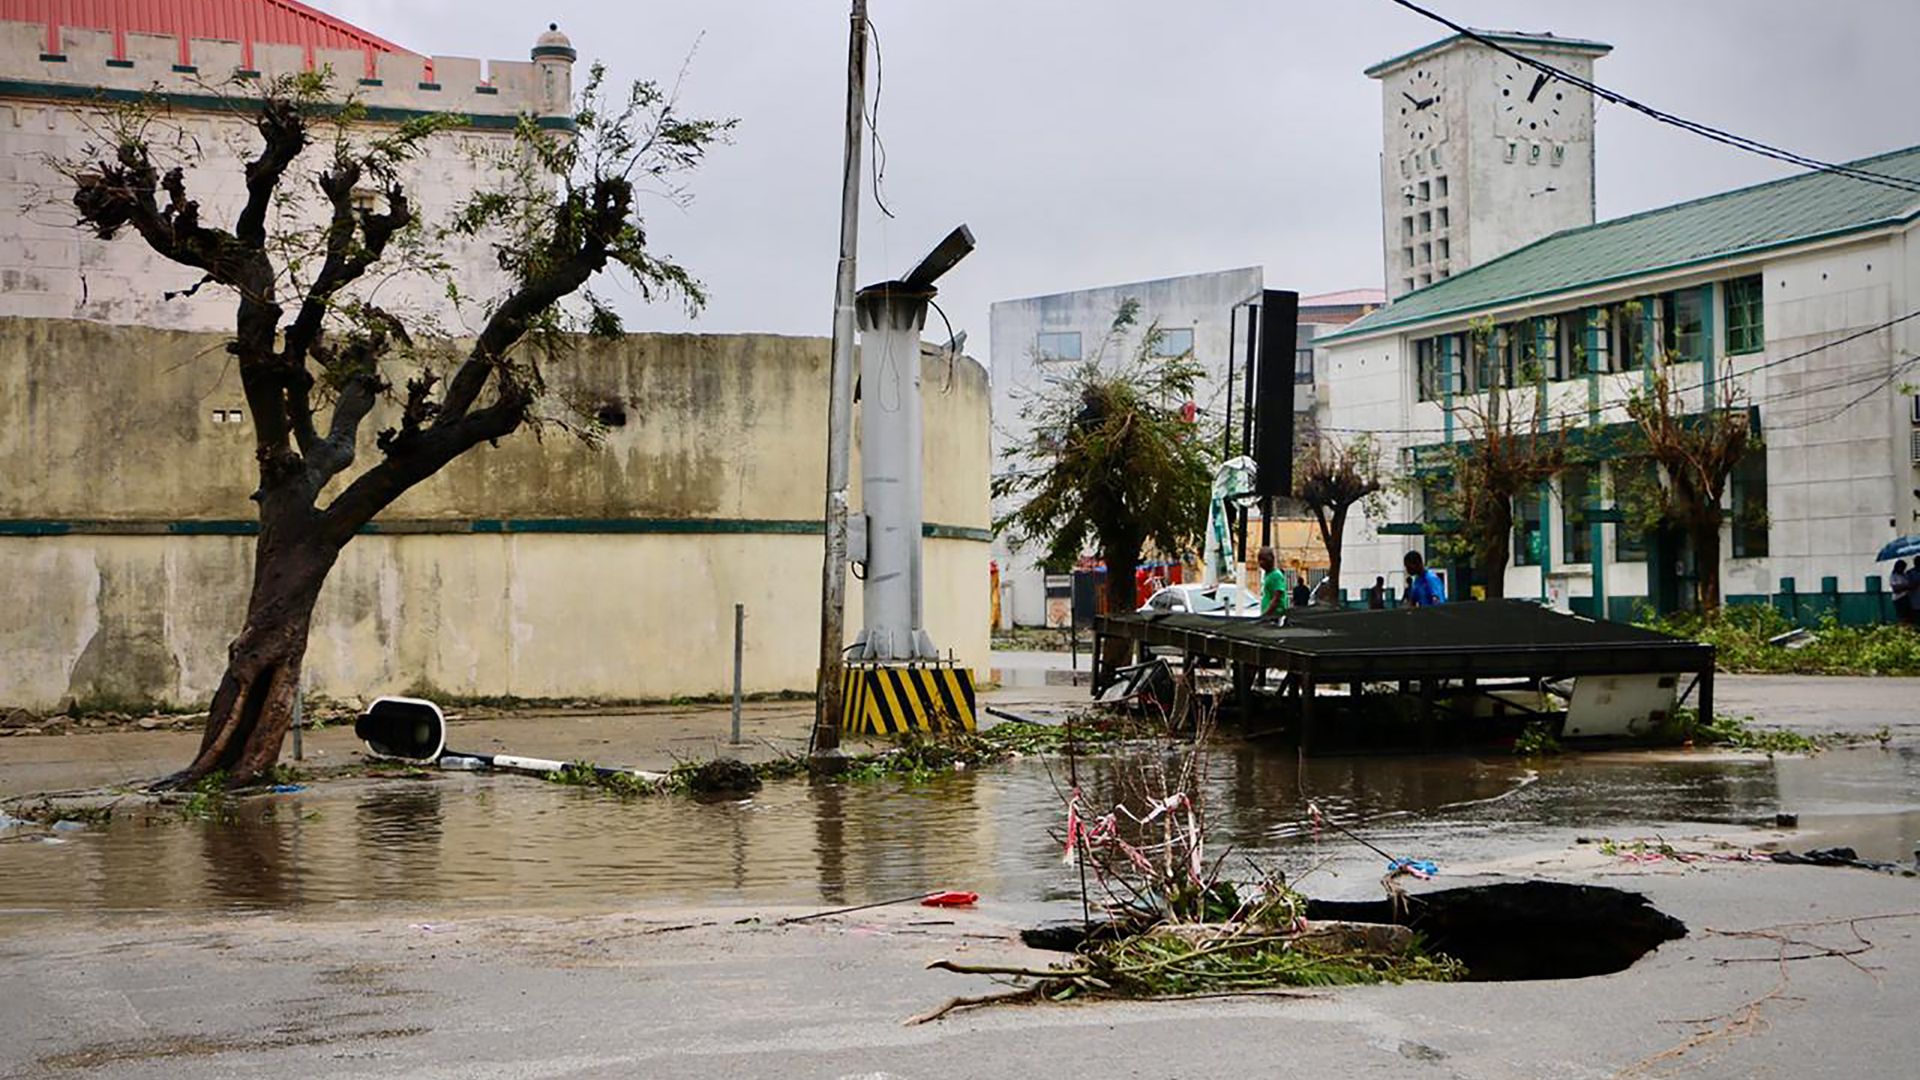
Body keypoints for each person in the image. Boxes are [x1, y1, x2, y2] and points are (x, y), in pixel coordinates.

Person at [1257, 547, 1288, 617]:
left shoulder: (1276, 575)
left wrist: (1265, 615)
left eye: (1264, 559)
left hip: (1274, 615)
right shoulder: (1267, 574)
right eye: (1259, 559)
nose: (1261, 562)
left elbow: (1276, 598)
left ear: (1271, 560)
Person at [1895, 559, 1914, 624]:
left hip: (1907, 596)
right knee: (1902, 615)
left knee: (1908, 615)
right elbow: (1896, 589)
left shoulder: (1904, 575)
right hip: (1899, 598)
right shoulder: (1894, 576)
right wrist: (1906, 587)